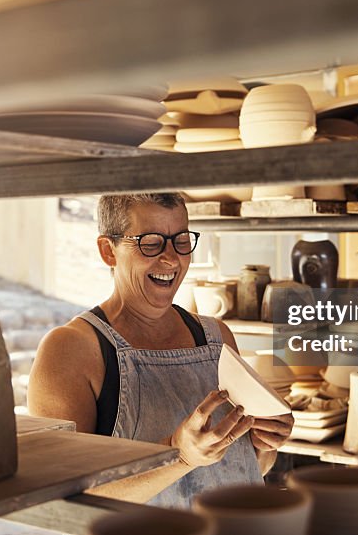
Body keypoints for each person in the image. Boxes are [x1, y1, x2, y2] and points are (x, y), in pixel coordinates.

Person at [28, 192, 293, 508]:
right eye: (151, 243)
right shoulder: (71, 350)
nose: (171, 259)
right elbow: (62, 499)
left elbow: (246, 469)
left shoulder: (216, 336)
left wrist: (265, 443)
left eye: (181, 240)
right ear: (107, 251)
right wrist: (179, 456)